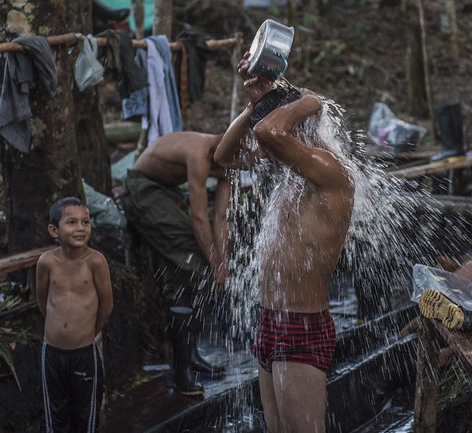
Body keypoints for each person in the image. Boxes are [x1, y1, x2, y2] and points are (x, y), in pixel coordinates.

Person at [215, 51, 355, 433]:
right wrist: (253, 106)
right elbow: (224, 156)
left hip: (301, 325)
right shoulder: (288, 175)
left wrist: (307, 100)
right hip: (269, 320)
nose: (263, 154)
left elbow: (267, 133)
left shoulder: (330, 170)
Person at [120, 131, 229, 396]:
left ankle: (188, 359)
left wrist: (224, 262)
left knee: (182, 272)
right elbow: (200, 219)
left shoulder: (232, 164)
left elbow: (222, 217)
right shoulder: (198, 152)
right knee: (193, 253)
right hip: (143, 190)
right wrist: (215, 266)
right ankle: (182, 370)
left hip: (167, 193)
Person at [36, 196, 114, 433]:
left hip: (83, 353)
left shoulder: (96, 262)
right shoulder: (46, 262)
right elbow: (43, 300)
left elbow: (106, 306)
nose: (81, 228)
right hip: (51, 352)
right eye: (72, 222)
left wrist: (88, 332)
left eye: (86, 222)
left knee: (85, 415)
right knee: (56, 415)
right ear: (54, 230)